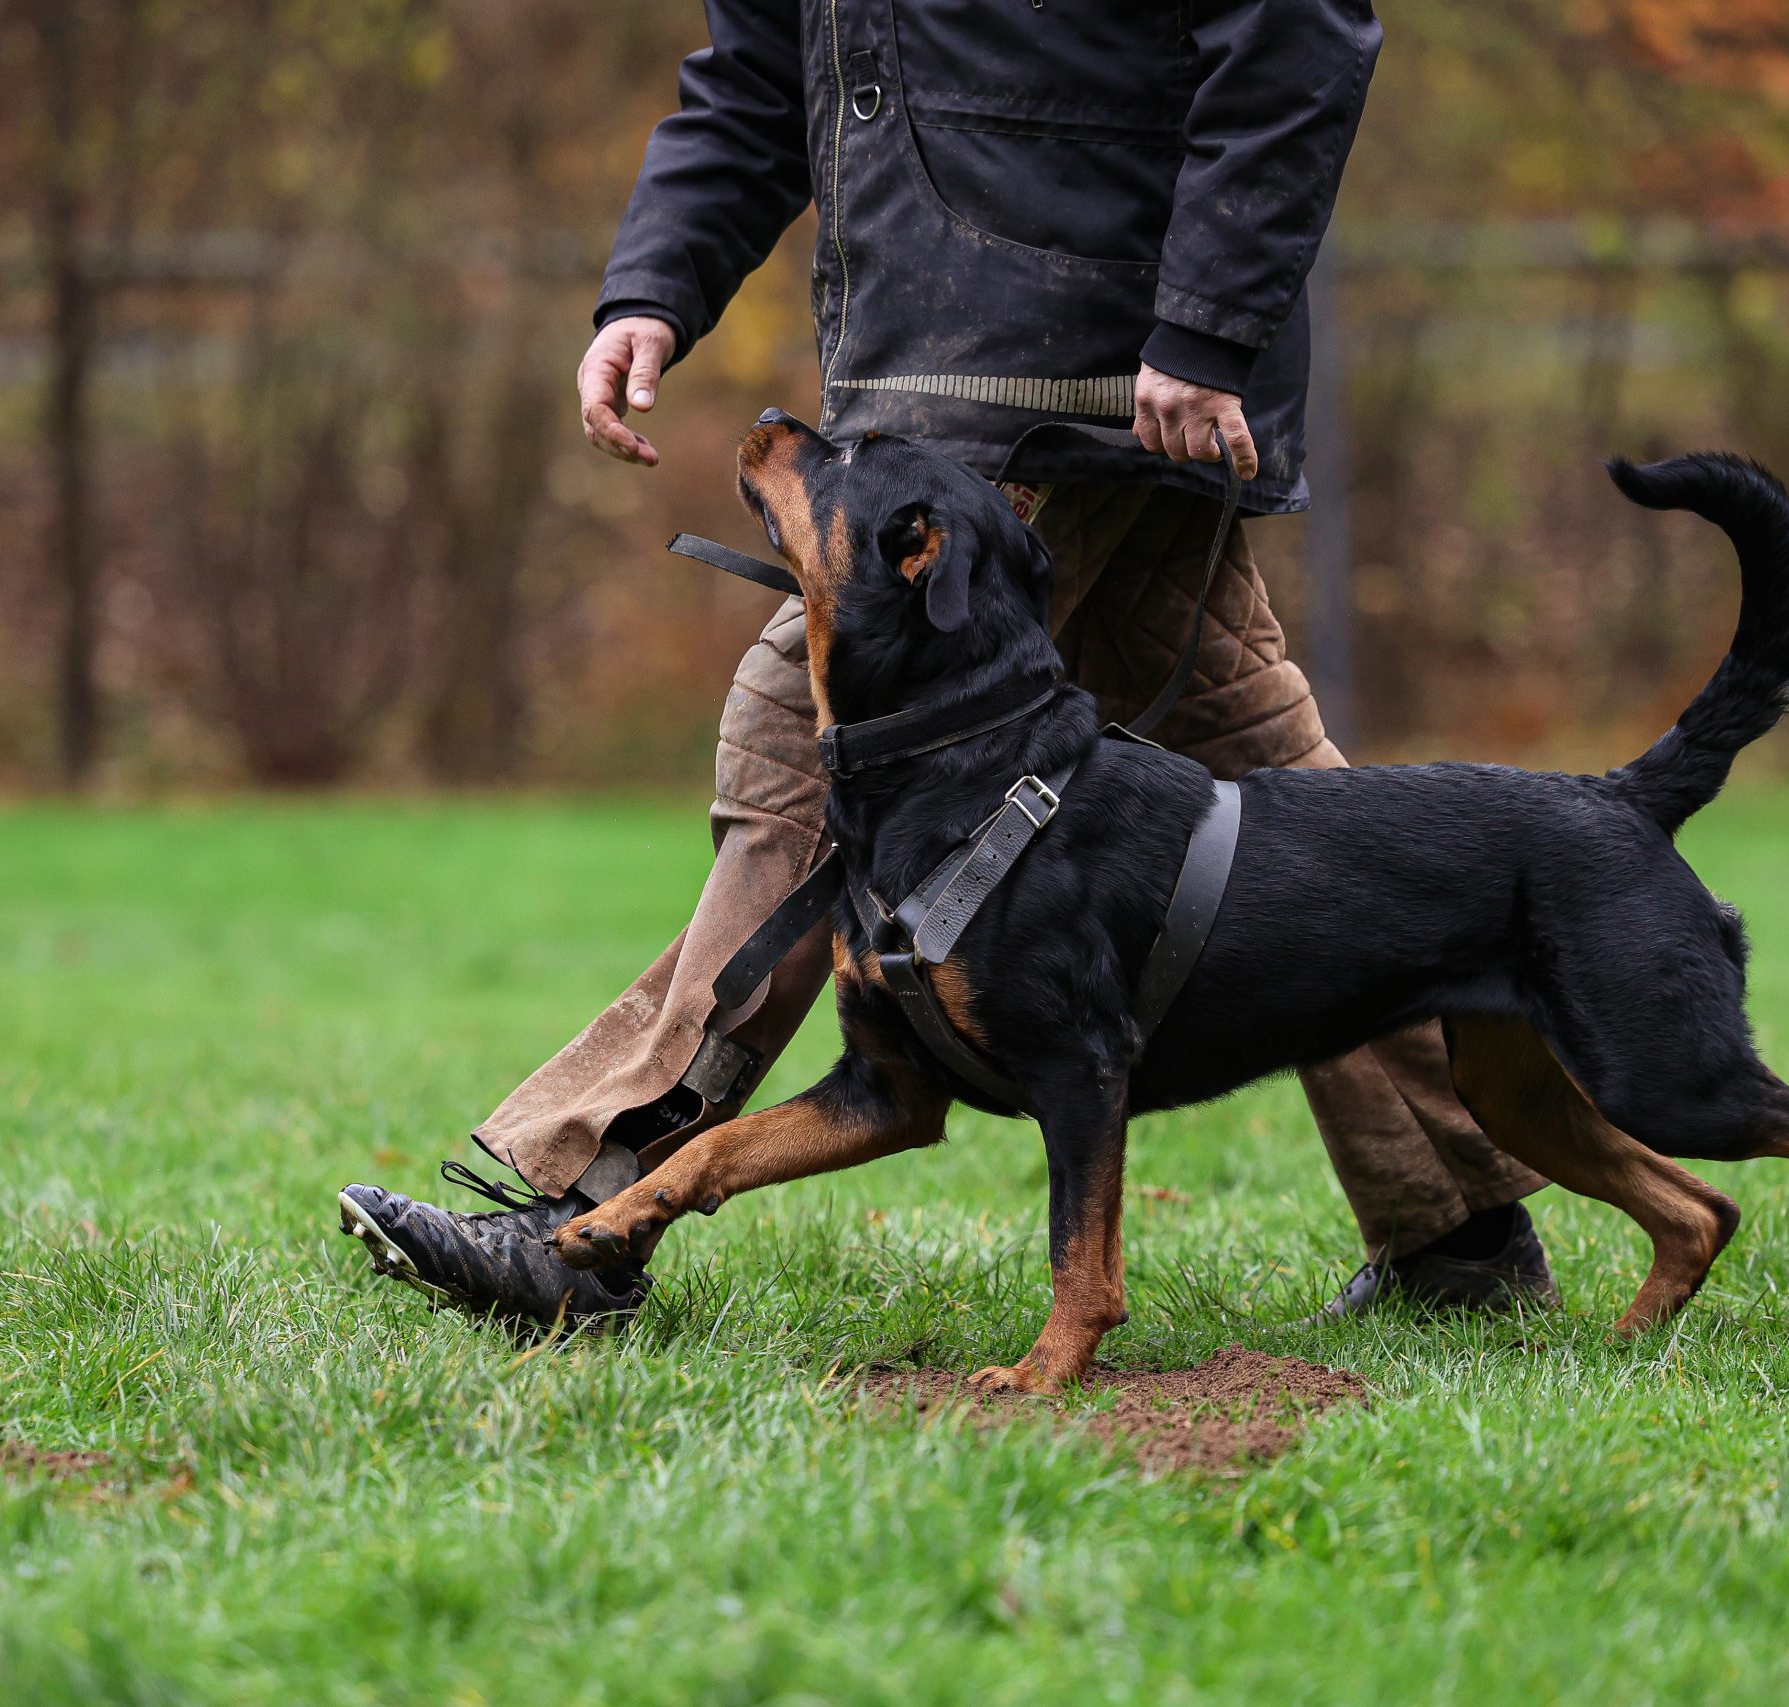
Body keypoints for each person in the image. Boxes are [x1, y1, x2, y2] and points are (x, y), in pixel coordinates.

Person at [337, 0, 1558, 1333]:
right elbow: (761, 75)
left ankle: (576, 1212)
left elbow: (1295, 29)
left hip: (1085, 377)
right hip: (961, 378)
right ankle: (1460, 1227)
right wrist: (654, 287)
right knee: (1252, 760)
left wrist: (1205, 323)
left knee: (809, 758)